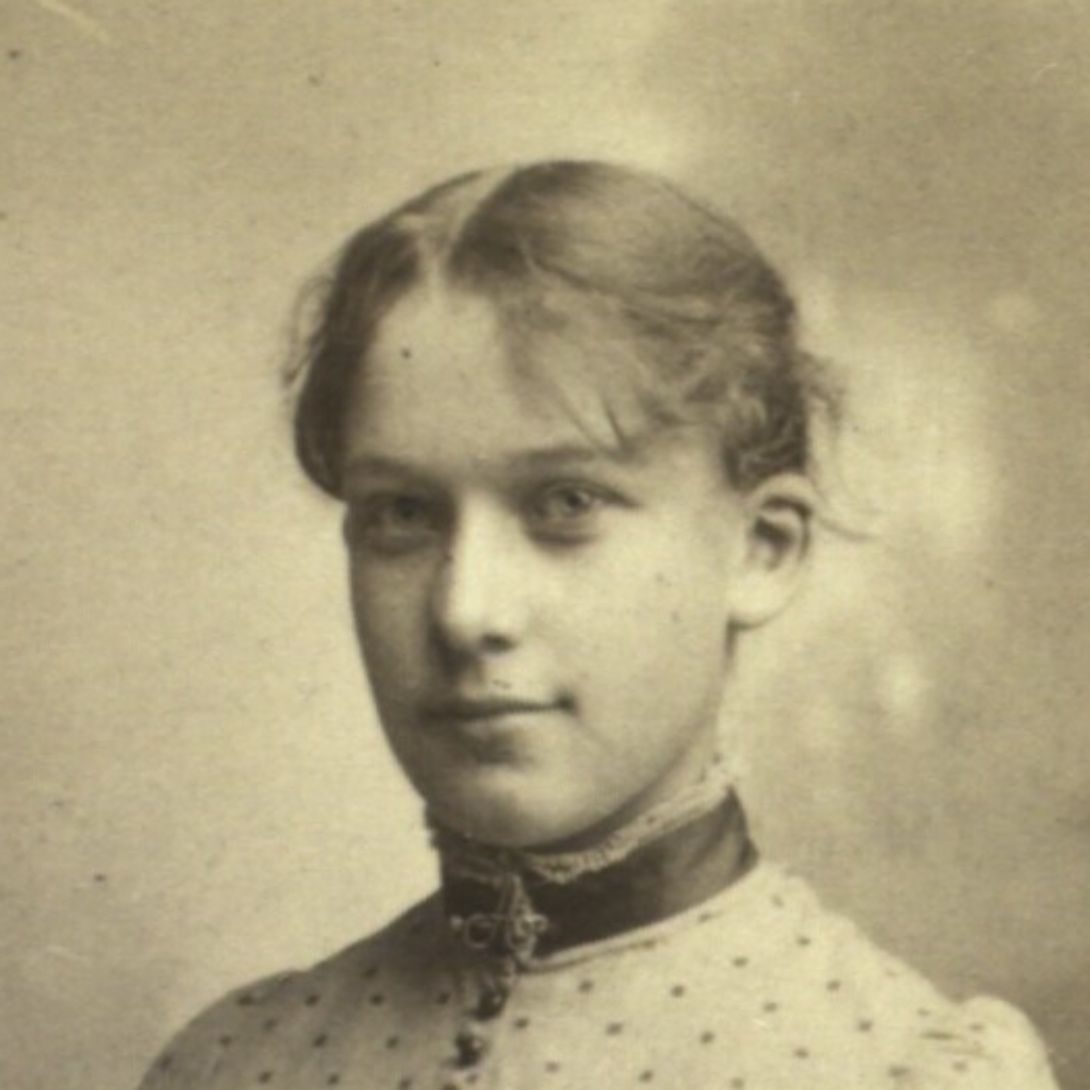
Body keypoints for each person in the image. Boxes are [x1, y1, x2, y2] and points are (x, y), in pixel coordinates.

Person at [137, 161, 1058, 1090]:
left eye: (566, 503)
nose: (466, 611)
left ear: (761, 549)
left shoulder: (897, 1069)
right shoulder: (237, 1064)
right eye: (403, 514)